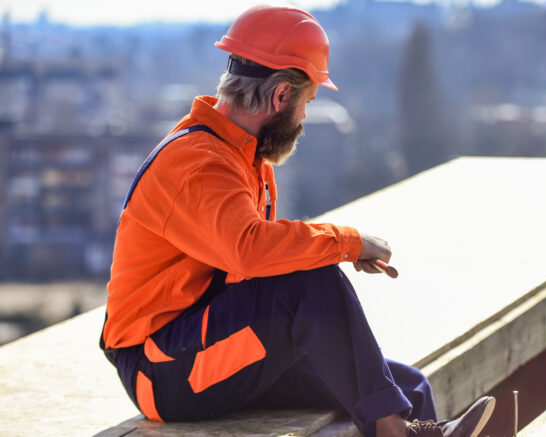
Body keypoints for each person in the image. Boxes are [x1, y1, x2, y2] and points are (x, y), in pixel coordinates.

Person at [100, 4, 494, 437]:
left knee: (406, 387)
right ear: (280, 96)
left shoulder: (242, 157)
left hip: (205, 349)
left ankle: (403, 425)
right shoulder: (198, 162)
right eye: (307, 100)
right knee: (310, 281)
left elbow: (252, 271)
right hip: (163, 370)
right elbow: (249, 250)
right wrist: (347, 242)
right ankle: (395, 434)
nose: (305, 116)